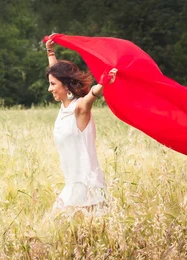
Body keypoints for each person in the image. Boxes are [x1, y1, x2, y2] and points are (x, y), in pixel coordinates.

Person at [44, 38, 117, 216]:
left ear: (66, 86)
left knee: (54, 234)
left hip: (87, 190)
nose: (49, 89)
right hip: (73, 187)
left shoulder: (79, 109)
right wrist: (50, 52)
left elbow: (89, 99)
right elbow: (58, 75)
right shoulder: (65, 107)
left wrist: (103, 83)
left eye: (52, 84)